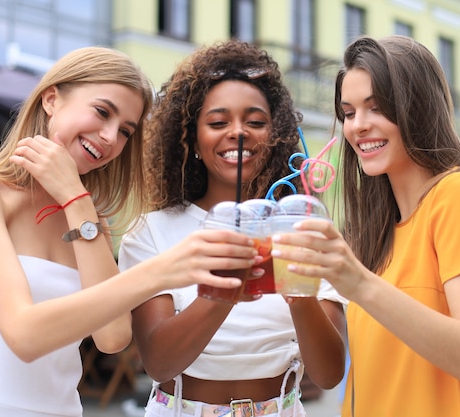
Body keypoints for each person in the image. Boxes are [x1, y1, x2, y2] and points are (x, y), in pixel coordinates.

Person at [0, 46, 259, 417]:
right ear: (52, 99)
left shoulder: (86, 217)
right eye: (102, 112)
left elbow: (112, 337)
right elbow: (23, 335)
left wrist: (76, 201)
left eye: (125, 131)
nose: (110, 137)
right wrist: (164, 270)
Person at [269, 36, 460, 417]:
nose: (358, 126)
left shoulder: (457, 196)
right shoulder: (376, 228)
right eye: (348, 113)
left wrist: (359, 284)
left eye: (376, 108)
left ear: (417, 108)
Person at [118, 39, 347, 417]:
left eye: (256, 122)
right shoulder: (152, 232)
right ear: (191, 139)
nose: (238, 132)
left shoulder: (303, 229)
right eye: (218, 122)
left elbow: (328, 374)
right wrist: (223, 291)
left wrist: (299, 292)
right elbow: (159, 363)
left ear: (276, 137)